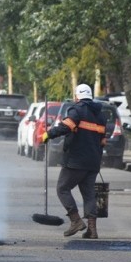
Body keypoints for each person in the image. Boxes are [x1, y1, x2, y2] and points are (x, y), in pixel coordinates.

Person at [41, 84, 107, 238]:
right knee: (89, 194)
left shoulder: (76, 110)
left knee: (62, 188)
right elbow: (103, 140)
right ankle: (92, 230)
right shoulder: (100, 115)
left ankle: (75, 220)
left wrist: (48, 134)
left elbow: (66, 127)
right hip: (93, 162)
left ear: (77, 96)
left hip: (76, 160)